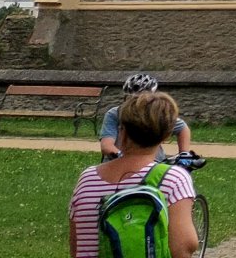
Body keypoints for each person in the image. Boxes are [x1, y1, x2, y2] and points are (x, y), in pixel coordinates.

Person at [69, 90, 200, 258]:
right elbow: (183, 247)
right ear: (166, 136)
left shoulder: (87, 179)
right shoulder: (174, 179)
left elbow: (76, 246)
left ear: (122, 131)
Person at [100, 72, 193, 160]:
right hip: (118, 162)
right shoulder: (115, 114)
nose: (135, 104)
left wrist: (184, 154)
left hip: (154, 162)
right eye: (131, 99)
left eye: (141, 100)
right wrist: (125, 158)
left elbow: (182, 127)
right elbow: (107, 146)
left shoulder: (156, 114)